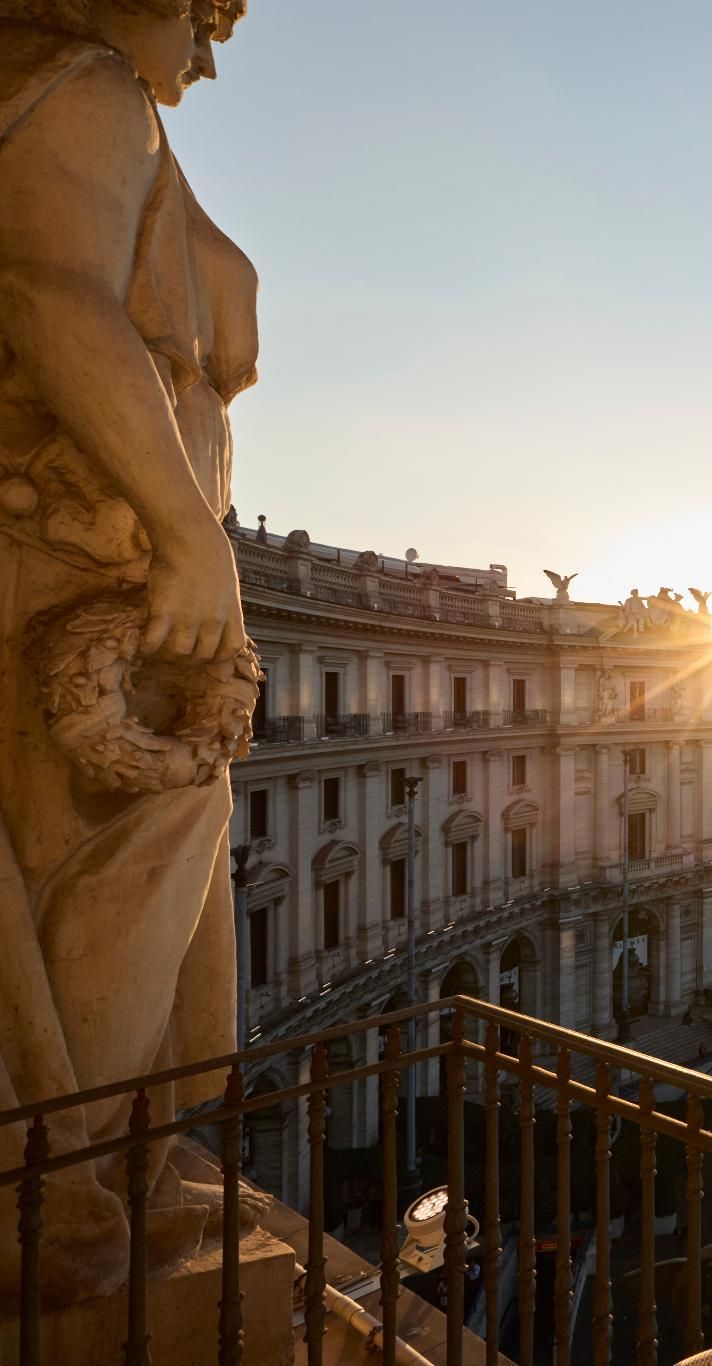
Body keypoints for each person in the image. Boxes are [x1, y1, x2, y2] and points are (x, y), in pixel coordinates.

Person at [0, 0, 258, 1306]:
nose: (210, 53)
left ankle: (102, 1169)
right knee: (106, 872)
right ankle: (72, 1185)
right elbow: (51, 297)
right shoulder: (82, 84)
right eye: (202, 14)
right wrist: (186, 532)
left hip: (122, 581)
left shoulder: (120, 114)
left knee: (142, 878)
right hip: (75, 577)